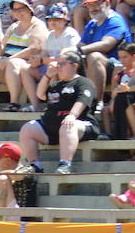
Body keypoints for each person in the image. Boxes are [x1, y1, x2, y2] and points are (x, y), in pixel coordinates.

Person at [15, 48, 99, 176]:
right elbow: (40, 94)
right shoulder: (56, 85)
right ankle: (34, 165)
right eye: (57, 63)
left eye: (62, 64)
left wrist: (72, 116)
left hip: (80, 125)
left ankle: (65, 164)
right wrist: (48, 75)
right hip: (53, 129)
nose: (58, 67)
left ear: (74, 66)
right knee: (27, 129)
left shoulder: (83, 82)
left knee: (68, 125)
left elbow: (82, 101)